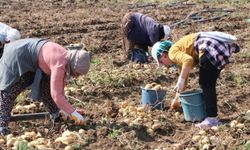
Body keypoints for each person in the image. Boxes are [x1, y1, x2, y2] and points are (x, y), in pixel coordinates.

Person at [0, 38, 91, 135]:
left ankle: (56, 115)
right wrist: (73, 113)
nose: (77, 76)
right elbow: (57, 95)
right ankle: (2, 127)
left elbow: (59, 90)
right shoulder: (60, 64)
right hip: (17, 55)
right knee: (10, 91)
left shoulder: (67, 59)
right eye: (78, 73)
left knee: (46, 86)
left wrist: (68, 111)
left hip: (33, 59)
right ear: (74, 66)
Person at [151, 31, 240, 128]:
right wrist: (176, 99)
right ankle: (211, 116)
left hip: (209, 47)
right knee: (209, 84)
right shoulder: (179, 55)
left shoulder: (172, 52)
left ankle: (211, 119)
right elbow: (184, 79)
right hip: (218, 46)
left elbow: (188, 60)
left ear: (164, 54)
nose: (164, 66)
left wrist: (180, 80)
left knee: (205, 84)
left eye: (161, 62)